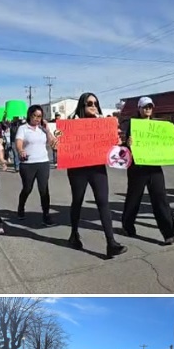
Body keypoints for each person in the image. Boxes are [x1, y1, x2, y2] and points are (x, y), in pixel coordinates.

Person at [64, 92, 127, 258]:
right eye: (89, 103)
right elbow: (63, 143)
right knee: (77, 201)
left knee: (103, 202)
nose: (93, 106)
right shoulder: (72, 122)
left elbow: (112, 146)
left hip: (97, 167)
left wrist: (117, 141)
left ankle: (111, 243)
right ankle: (74, 234)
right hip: (78, 168)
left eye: (95, 103)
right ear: (82, 105)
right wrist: (58, 142)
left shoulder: (103, 123)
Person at [121, 97, 174, 244]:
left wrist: (173, 142)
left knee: (160, 198)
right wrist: (127, 143)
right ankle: (127, 225)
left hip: (154, 166)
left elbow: (166, 145)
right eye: (144, 107)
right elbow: (125, 147)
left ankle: (171, 232)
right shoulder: (133, 125)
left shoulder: (158, 126)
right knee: (134, 199)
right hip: (137, 168)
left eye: (149, 107)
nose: (147, 109)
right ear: (139, 109)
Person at [15, 105, 57, 226]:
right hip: (28, 164)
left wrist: (47, 130)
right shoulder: (23, 128)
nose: (37, 119)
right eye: (35, 116)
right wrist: (20, 150)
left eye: (40, 116)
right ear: (30, 115)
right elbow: (18, 142)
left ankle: (46, 215)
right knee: (27, 188)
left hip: (43, 162)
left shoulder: (42, 129)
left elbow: (52, 143)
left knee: (44, 189)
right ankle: (21, 208)